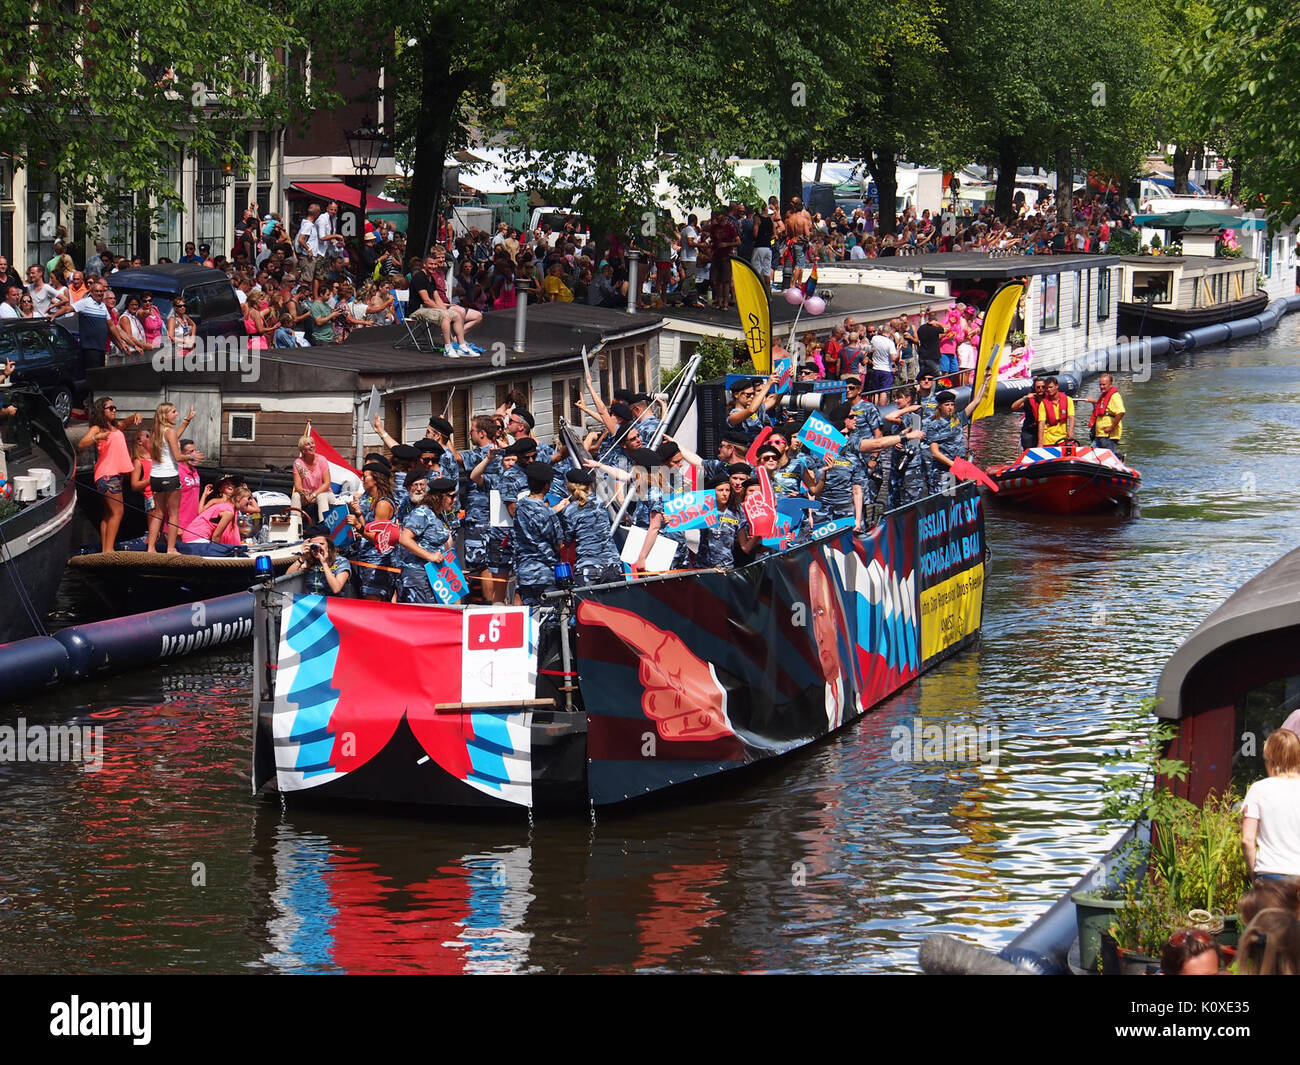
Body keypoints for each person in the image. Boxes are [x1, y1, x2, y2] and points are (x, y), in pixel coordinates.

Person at [77, 397, 143, 552]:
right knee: (118, 512)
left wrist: (135, 416)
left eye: (115, 407)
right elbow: (81, 445)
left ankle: (105, 548)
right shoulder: (98, 428)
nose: (114, 410)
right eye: (110, 408)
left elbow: (126, 423)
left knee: (108, 514)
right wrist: (96, 438)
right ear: (102, 410)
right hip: (108, 475)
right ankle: (108, 550)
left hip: (112, 475)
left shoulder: (115, 427)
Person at [924, 367, 996, 493]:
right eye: (947, 405)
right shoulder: (934, 425)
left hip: (960, 467)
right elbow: (935, 452)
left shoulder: (958, 419)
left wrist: (985, 381)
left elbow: (976, 401)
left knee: (958, 497)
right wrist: (954, 465)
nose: (950, 408)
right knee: (944, 500)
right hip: (944, 470)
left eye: (952, 405)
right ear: (940, 406)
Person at [1242, 727, 1300, 883]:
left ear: (1269, 758)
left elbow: (1247, 840)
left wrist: (1254, 875)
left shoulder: (1259, 789)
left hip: (1269, 873)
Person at [395, 472, 456, 604]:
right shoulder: (422, 512)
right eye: (451, 496)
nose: (454, 500)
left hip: (436, 575)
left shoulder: (439, 514)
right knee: (420, 619)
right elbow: (404, 539)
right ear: (439, 497)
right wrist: (430, 556)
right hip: (418, 576)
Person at [556, 468, 623, 585]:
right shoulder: (600, 502)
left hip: (589, 567)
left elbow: (567, 541)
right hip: (613, 565)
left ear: (569, 487)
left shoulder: (569, 510)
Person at [511, 462, 565, 605]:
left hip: (525, 572)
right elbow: (559, 545)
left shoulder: (520, 506)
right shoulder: (547, 513)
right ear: (547, 485)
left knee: (531, 619)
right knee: (549, 621)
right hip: (545, 573)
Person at [347, 459, 398, 600]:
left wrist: (358, 527)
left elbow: (379, 537)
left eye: (365, 476)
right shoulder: (372, 499)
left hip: (377, 560)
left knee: (373, 599)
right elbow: (370, 528)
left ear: (376, 478)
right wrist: (359, 515)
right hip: (367, 557)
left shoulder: (382, 504)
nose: (362, 480)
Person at [148, 401, 193, 553]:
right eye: (173, 412)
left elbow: (174, 438)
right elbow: (178, 457)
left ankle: (151, 548)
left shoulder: (156, 432)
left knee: (158, 513)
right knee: (173, 514)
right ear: (165, 415)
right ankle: (171, 548)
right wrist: (192, 457)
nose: (176, 414)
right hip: (170, 476)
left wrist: (187, 421)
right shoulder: (170, 432)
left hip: (155, 477)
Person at [182, 487, 257, 545]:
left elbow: (256, 509)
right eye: (249, 498)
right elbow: (216, 536)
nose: (251, 501)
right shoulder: (228, 511)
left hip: (190, 537)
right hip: (196, 539)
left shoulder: (227, 506)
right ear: (238, 498)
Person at [286, 529, 351, 596]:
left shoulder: (341, 561)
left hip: (331, 603)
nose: (318, 547)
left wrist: (324, 563)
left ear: (328, 546)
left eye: (321, 544)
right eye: (314, 545)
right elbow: (287, 578)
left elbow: (336, 589)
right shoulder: (308, 561)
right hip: (310, 601)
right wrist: (303, 558)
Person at [129, 428, 161, 548]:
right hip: (151, 497)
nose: (151, 438)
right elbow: (134, 485)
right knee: (153, 532)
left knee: (162, 531)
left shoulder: (156, 459)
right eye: (147, 436)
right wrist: (149, 480)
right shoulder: (138, 462)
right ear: (139, 441)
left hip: (162, 495)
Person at [292, 434, 335, 523]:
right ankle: (295, 525)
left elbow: (327, 483)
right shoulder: (298, 463)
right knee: (295, 495)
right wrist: (303, 492)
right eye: (308, 444)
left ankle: (324, 527)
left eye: (312, 443)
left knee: (321, 496)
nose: (312, 446)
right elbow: (298, 485)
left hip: (325, 493)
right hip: (308, 495)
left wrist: (313, 495)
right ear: (303, 450)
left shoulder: (322, 460)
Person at [1089, 372, 1126, 455]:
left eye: (1104, 384)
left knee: (1107, 456)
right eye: (1100, 385)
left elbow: (1121, 412)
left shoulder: (1114, 396)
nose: (1101, 387)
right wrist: (1094, 401)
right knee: (1091, 454)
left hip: (1108, 436)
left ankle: (1118, 458)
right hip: (1100, 434)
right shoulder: (1104, 396)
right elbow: (1104, 407)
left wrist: (1111, 427)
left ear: (1110, 384)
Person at [1036, 376, 1075, 448]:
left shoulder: (1068, 400)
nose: (1049, 390)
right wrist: (1040, 443)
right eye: (1047, 388)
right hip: (1048, 440)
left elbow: (1071, 417)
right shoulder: (1043, 404)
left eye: (1051, 387)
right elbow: (1041, 423)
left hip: (1063, 439)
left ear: (1056, 386)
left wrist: (1071, 430)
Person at [1010, 376, 1046, 454]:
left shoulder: (1048, 400)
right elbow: (1014, 407)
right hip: (1029, 430)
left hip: (1044, 430)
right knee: (1028, 449)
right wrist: (1025, 398)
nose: (1041, 389)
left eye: (1043, 387)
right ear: (1034, 388)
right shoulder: (1029, 399)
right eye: (1038, 387)